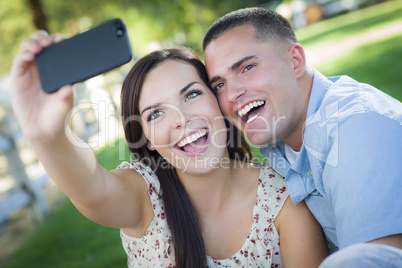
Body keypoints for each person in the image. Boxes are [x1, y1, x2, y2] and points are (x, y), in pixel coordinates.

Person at [10, 31, 329, 267]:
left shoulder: (283, 198)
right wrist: (48, 138)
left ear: (217, 98)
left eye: (191, 95)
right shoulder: (144, 195)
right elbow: (89, 187)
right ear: (146, 137)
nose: (181, 118)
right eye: (156, 113)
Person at [202, 7, 402, 267]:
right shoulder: (281, 143)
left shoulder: (357, 132)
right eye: (219, 85)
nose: (231, 95)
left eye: (247, 67)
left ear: (295, 61)